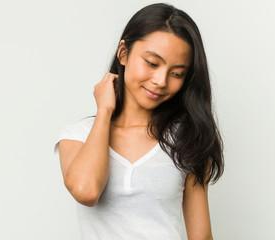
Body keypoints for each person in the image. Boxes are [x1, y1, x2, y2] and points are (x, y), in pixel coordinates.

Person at [54, 3, 224, 240]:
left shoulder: (188, 139)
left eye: (176, 73)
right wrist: (104, 110)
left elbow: (201, 237)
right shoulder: (77, 136)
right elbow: (87, 191)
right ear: (123, 54)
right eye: (152, 63)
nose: (161, 81)